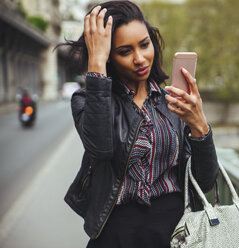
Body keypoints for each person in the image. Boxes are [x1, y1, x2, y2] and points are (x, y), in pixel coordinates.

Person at [59, 1, 219, 247]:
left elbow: (205, 181)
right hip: (116, 234)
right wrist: (96, 62)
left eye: (144, 45)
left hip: (175, 232)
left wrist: (199, 125)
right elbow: (100, 147)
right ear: (109, 57)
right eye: (125, 51)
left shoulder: (172, 102)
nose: (140, 58)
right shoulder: (88, 101)